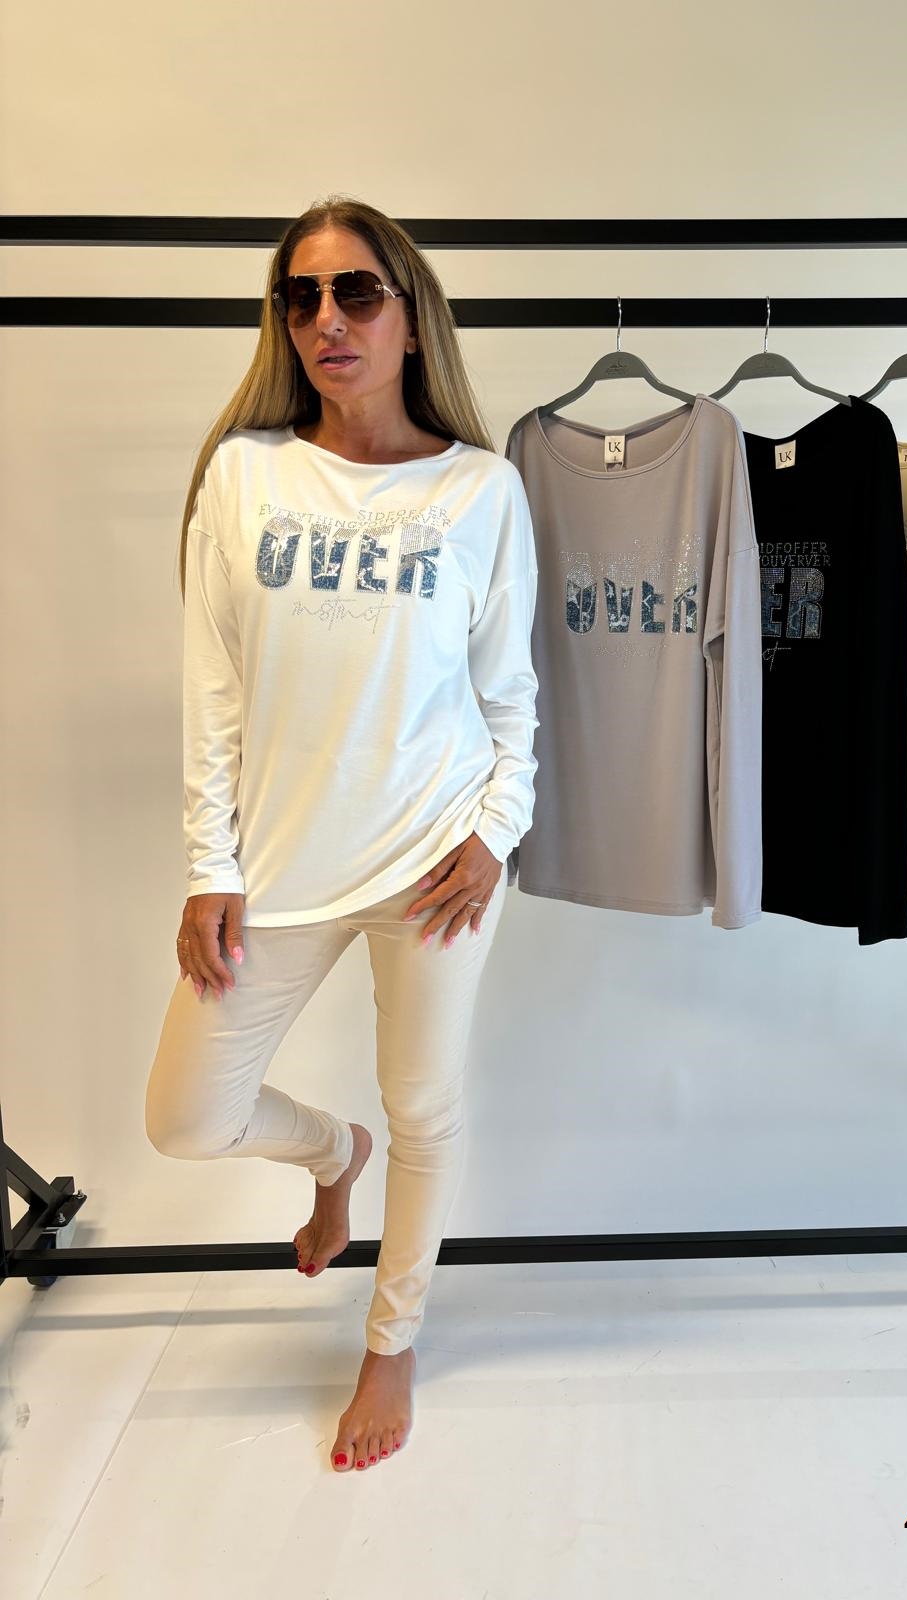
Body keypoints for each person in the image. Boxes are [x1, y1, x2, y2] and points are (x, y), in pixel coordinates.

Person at [144, 195, 539, 1475]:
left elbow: (510, 697)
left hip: (434, 861)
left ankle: (392, 1337)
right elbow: (212, 686)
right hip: (279, 864)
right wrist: (210, 867)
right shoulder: (245, 475)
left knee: (425, 1103)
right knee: (186, 1115)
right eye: (302, 296)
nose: (327, 319)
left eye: (357, 291)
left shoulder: (480, 489)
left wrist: (497, 834)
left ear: (412, 317)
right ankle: (334, 1154)